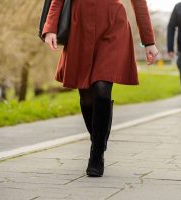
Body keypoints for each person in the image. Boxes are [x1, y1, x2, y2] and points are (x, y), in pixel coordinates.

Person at [43, 0, 158, 177]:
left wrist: (148, 41)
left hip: (113, 25)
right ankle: (98, 139)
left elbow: (139, 3)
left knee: (102, 90)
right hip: (79, 25)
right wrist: (50, 27)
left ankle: (97, 154)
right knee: (87, 98)